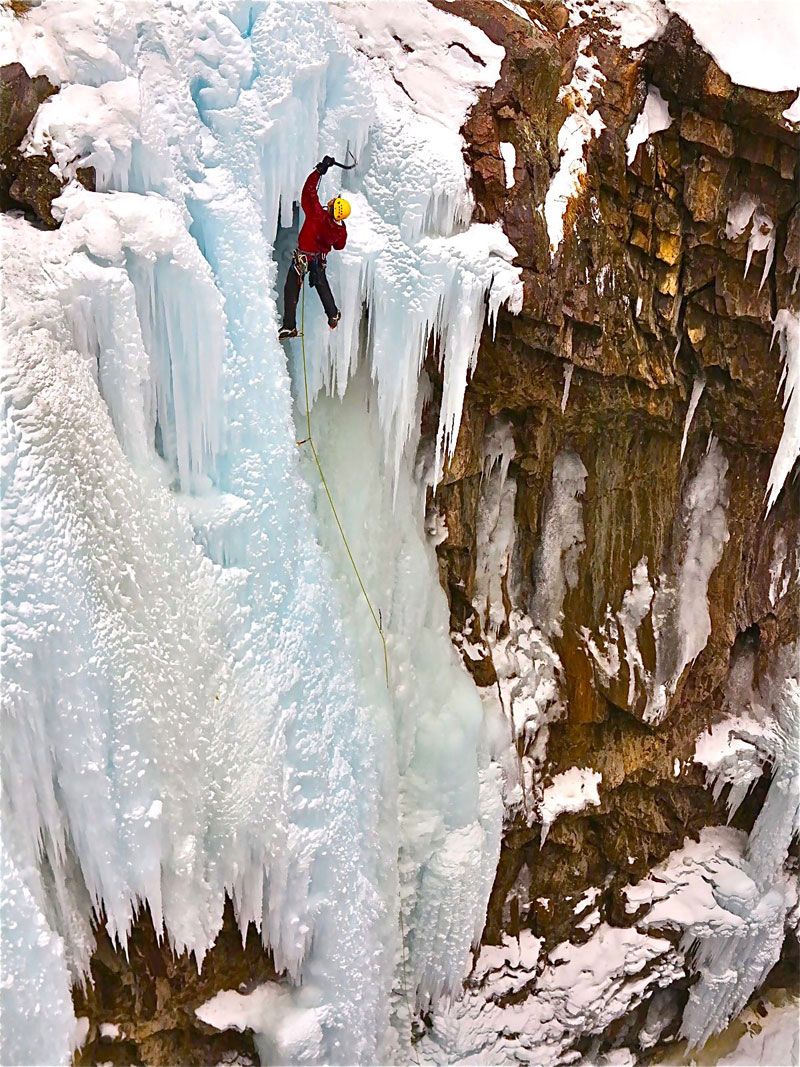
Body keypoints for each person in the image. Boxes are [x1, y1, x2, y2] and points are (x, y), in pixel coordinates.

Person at [279, 156, 351, 340]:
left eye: (334, 202)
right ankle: (333, 314)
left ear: (333, 207)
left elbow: (308, 191)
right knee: (321, 285)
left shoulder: (318, 214)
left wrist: (319, 171)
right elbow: (339, 245)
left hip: (303, 257)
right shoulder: (340, 229)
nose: (332, 201)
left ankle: (290, 326)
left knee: (291, 288)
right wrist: (338, 229)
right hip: (319, 259)